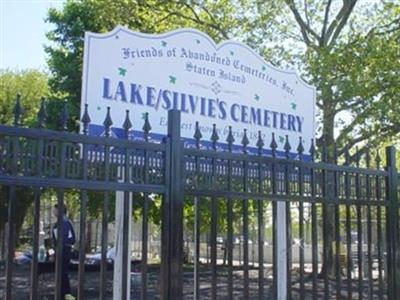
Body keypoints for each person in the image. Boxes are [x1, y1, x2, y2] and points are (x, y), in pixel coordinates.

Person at [52, 204, 76, 299]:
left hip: (64, 250)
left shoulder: (65, 222)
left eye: (55, 210)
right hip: (60, 250)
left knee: (63, 272)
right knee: (61, 272)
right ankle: (64, 293)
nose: (53, 211)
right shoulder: (59, 223)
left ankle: (65, 293)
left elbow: (66, 239)